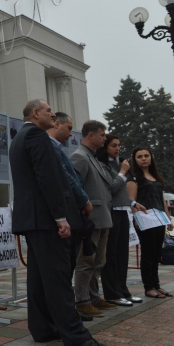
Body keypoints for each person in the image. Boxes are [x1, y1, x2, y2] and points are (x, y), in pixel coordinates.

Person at [10, 99, 114, 346]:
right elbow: (48, 178)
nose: (53, 114)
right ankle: (76, 336)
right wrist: (60, 217)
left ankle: (43, 328)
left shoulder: (20, 136)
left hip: (32, 220)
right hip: (46, 220)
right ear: (35, 113)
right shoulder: (36, 135)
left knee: (39, 279)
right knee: (57, 279)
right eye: (48, 111)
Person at [71, 121, 126, 319]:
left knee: (98, 261)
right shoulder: (79, 157)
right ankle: (82, 300)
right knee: (86, 261)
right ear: (91, 135)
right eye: (102, 135)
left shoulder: (91, 157)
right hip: (91, 218)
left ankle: (94, 297)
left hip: (103, 217)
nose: (105, 138)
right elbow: (75, 189)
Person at [96, 136, 143, 307]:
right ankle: (112, 293)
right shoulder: (103, 165)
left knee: (123, 254)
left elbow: (121, 191)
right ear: (105, 147)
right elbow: (110, 188)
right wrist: (122, 173)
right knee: (111, 254)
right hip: (111, 212)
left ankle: (123, 291)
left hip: (123, 211)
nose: (117, 149)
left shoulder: (119, 163)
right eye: (113, 145)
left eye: (119, 145)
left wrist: (132, 203)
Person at [47, 113, 94, 278]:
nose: (71, 134)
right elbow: (67, 178)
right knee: (65, 266)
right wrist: (84, 200)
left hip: (73, 211)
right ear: (57, 124)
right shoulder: (50, 147)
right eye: (69, 128)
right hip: (66, 212)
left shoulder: (58, 148)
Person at [127, 148, 173, 299]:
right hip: (145, 220)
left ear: (151, 158)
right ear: (135, 160)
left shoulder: (156, 177)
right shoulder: (134, 179)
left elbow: (162, 200)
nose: (144, 159)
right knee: (147, 254)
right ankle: (149, 287)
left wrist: (169, 219)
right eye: (139, 157)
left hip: (159, 218)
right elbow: (132, 202)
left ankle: (157, 285)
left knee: (156, 254)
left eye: (146, 156)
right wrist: (137, 220)